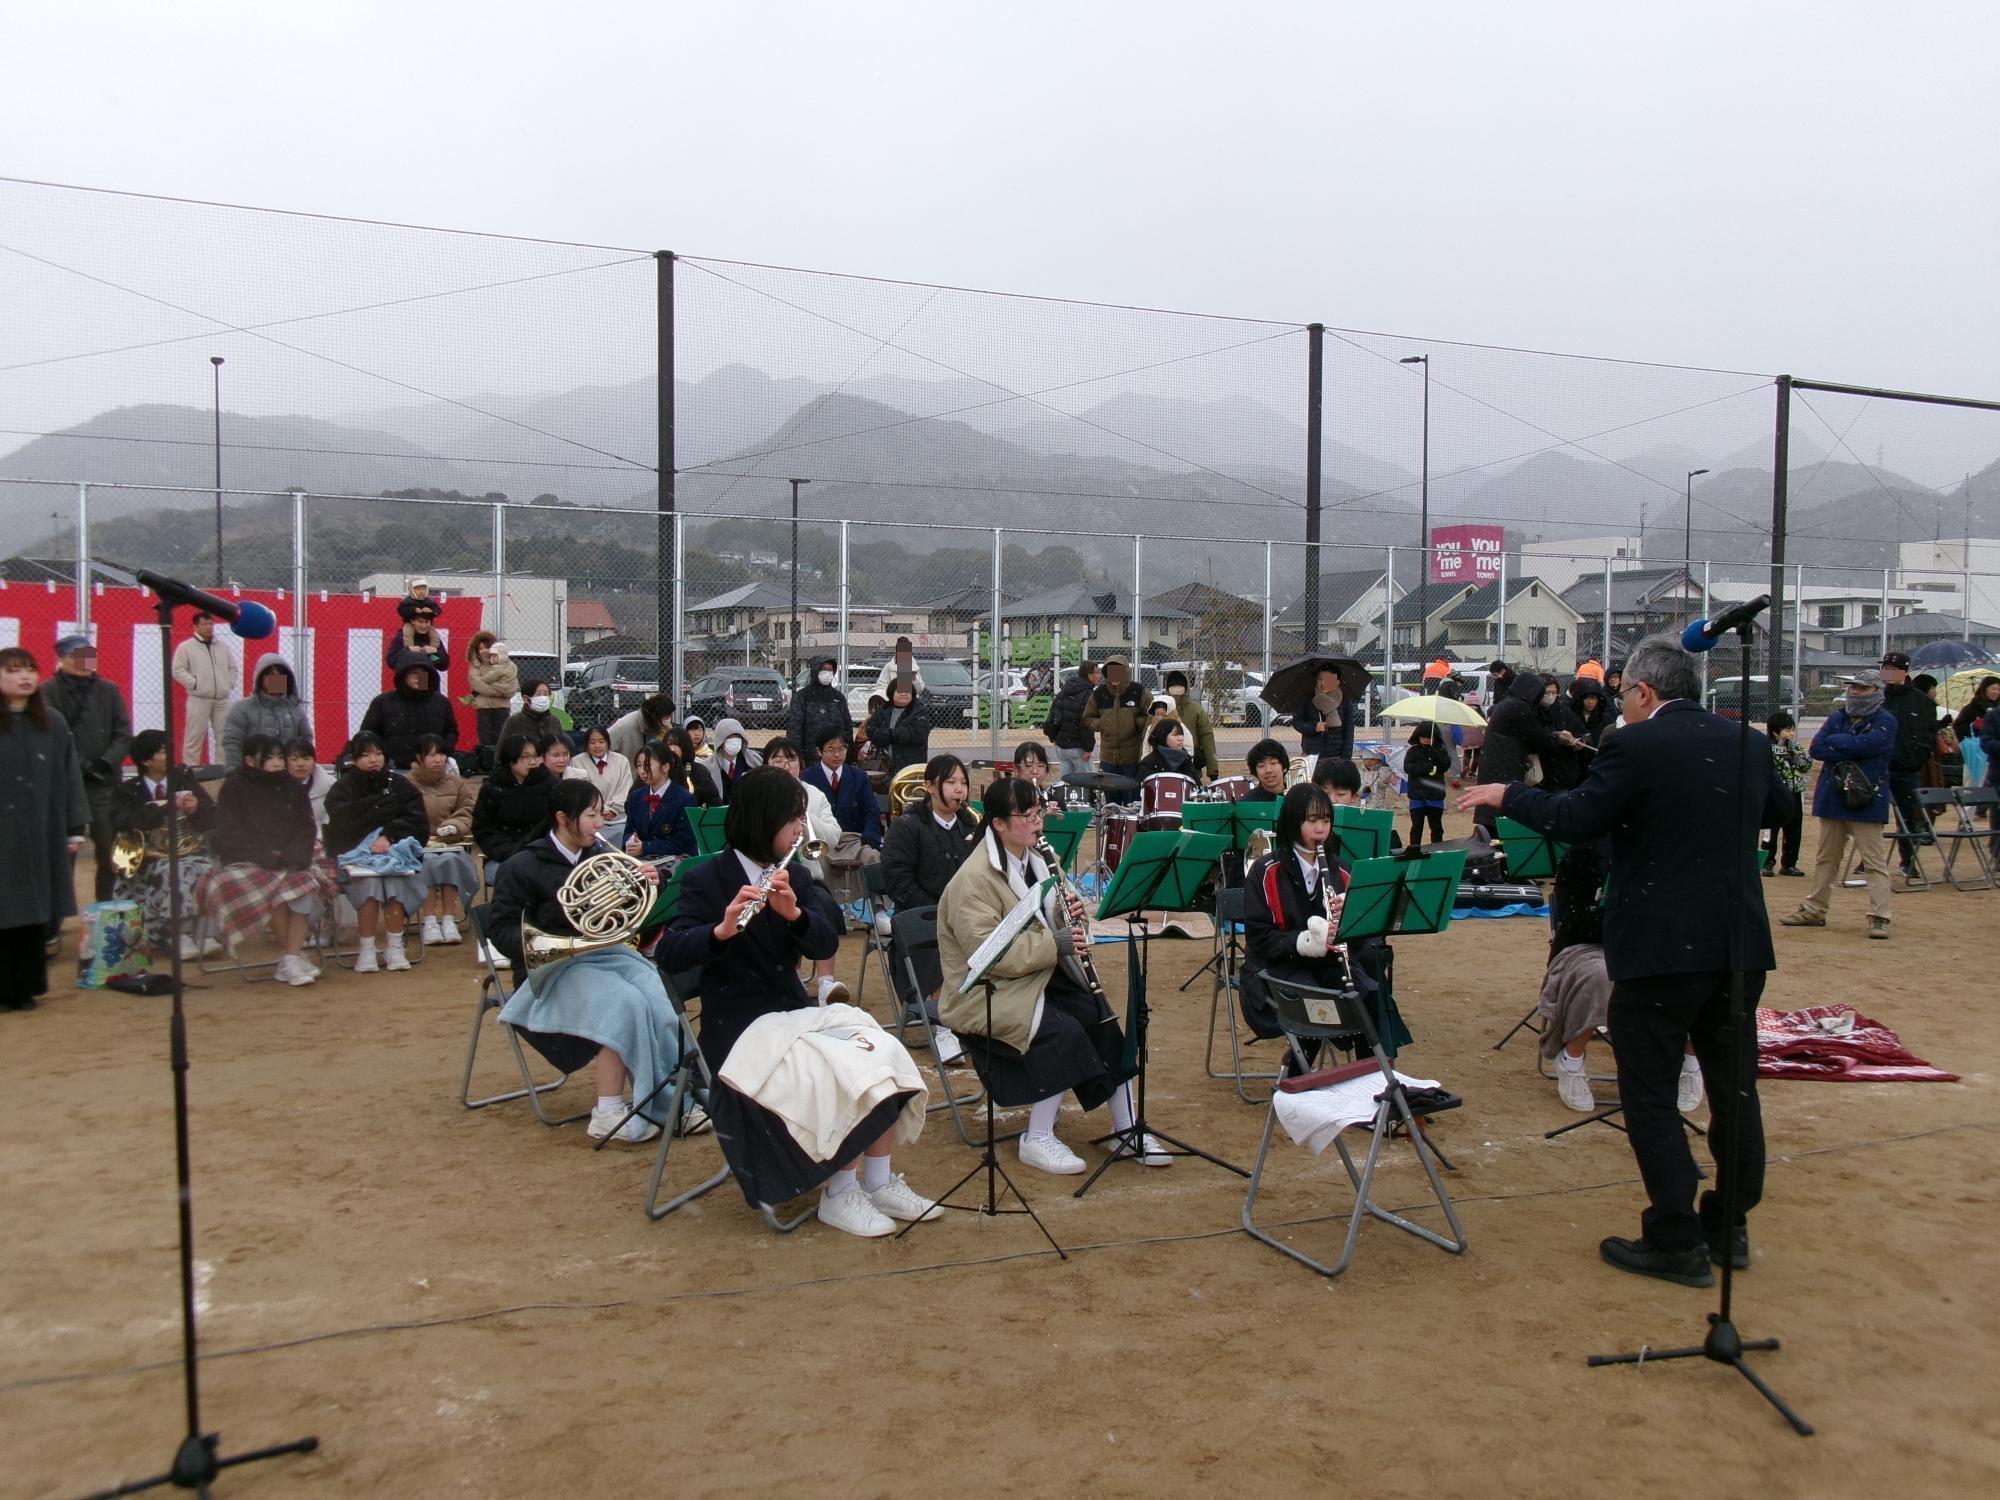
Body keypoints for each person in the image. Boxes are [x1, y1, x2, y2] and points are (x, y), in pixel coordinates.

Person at [1460, 633, 1779, 1287]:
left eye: (1622, 694)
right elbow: (1777, 809)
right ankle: (1729, 1226)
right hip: (1738, 944)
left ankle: (1674, 1237)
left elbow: (1578, 817)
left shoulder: (1634, 743)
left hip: (1660, 948)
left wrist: (1506, 795)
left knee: (1651, 1093)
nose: (1619, 706)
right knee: (1734, 1089)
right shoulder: (1745, 741)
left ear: (1644, 692)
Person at [660, 767, 939, 1237]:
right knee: (836, 1069)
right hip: (740, 1029)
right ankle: (840, 1192)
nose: (800, 830)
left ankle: (877, 1179)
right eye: (792, 819)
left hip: (792, 1015)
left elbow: (827, 937)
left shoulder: (794, 874)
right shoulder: (707, 879)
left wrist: (794, 916)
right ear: (763, 819)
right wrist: (720, 931)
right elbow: (669, 954)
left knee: (879, 1047)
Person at [935, 776, 1157, 1175]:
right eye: (1026, 815)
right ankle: (1036, 1137)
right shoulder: (973, 880)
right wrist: (1057, 943)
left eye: (1039, 812)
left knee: (1099, 1019)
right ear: (998, 824)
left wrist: (1072, 916)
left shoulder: (1038, 860)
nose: (1038, 822)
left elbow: (1062, 926)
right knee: (1064, 1031)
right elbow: (990, 956)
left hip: (1035, 977)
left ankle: (1126, 1127)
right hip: (988, 990)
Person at [490, 779, 696, 1145]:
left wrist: (650, 883)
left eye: (601, 814)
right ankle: (608, 1111)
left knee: (657, 991)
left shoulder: (599, 858)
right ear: (562, 819)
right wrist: (556, 935)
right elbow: (501, 929)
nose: (601, 823)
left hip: (601, 957)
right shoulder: (522, 865)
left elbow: (626, 918)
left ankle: (671, 1100)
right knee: (623, 1002)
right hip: (548, 971)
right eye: (591, 815)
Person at [1238, 782, 1407, 1058]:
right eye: (1312, 820)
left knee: (1371, 999)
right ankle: (1295, 1079)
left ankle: (1372, 1079)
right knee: (1317, 1009)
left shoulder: (1342, 870)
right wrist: (1303, 942)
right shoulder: (1265, 871)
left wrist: (1350, 923)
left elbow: (1363, 940)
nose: (1321, 829)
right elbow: (1258, 939)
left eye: (1326, 820)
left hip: (1329, 968)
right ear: (1293, 822)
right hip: (1278, 971)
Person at [200, 733, 332, 987]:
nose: (277, 762)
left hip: (291, 859)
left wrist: (293, 856)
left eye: (279, 756)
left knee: (303, 887)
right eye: (269, 757)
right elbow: (229, 831)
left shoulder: (292, 786)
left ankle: (290, 958)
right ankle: (291, 958)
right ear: (250, 760)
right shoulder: (234, 786)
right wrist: (266, 855)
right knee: (276, 892)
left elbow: (305, 828)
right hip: (246, 860)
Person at [1778, 672, 1896, 939]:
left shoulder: (1885, 720)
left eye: (1863, 688)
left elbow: (1874, 744)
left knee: (1874, 861)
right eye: (1853, 687)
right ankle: (1814, 909)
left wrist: (1840, 743)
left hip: (1867, 797)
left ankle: (1880, 916)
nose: (1855, 692)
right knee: (1826, 858)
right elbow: (1818, 748)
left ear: (1877, 691)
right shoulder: (1837, 717)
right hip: (1833, 796)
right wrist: (1850, 746)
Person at [1, 647, 88, 1008]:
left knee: (35, 912)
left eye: (30, 670)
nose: (24, 677)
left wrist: (74, 826)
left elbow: (69, 777)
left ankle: (30, 986)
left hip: (41, 832)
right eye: (12, 671)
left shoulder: (52, 722)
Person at [879, 753, 978, 1057]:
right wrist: (939, 912)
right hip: (918, 918)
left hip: (962, 915)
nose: (959, 790)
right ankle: (944, 1026)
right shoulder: (907, 826)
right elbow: (898, 880)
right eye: (950, 782)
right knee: (939, 941)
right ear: (930, 786)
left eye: (963, 782)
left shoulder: (969, 824)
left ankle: (980, 1018)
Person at [323, 730, 428, 973]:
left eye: (378, 753)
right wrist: (377, 813)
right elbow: (340, 825)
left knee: (394, 883)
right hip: (354, 856)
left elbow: (418, 822)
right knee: (369, 884)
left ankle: (395, 946)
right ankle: (367, 948)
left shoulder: (400, 785)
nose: (374, 759)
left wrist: (389, 834)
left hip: (394, 855)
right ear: (354, 758)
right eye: (366, 754)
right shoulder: (342, 788)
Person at [110, 729, 214, 960]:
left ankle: (198, 933)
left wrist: (196, 809)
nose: (170, 755)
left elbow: (214, 817)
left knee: (199, 867)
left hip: (189, 852)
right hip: (148, 859)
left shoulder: (184, 782)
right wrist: (163, 807)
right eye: (162, 752)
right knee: (174, 870)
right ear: (146, 760)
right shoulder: (127, 791)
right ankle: (180, 935)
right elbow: (122, 823)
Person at [42, 634, 131, 902]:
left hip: (105, 784)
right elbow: (57, 734)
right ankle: (57, 915)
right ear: (61, 659)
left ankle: (109, 908)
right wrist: (83, 765)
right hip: (68, 786)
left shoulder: (109, 690)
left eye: (88, 654)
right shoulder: (49, 691)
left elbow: (123, 732)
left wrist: (107, 762)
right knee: (65, 851)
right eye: (76, 655)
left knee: (110, 848)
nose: (84, 661)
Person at [763, 736, 850, 1008]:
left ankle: (826, 984)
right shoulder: (758, 792)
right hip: (767, 877)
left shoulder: (814, 795)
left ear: (800, 764)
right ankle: (792, 975)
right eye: (777, 760)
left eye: (790, 759)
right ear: (766, 764)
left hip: (809, 876)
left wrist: (806, 816)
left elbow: (834, 837)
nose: (785, 765)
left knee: (822, 907)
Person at [1538, 846, 1615, 1112]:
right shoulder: (1583, 854)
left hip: (1646, 942)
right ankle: (1571, 1059)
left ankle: (1687, 1062)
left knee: (1690, 969)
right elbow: (1576, 921)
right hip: (1586, 944)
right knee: (1601, 976)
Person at [1475, 664, 1574, 836]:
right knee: (1503, 819)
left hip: (1494, 768)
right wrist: (1558, 737)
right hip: (1505, 770)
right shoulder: (1518, 707)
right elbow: (1539, 739)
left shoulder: (1507, 704)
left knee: (1492, 819)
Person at [406, 733, 476, 946]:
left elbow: (468, 810)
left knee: (449, 861)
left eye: (442, 754)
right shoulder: (406, 784)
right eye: (432, 755)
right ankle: (429, 921)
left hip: (451, 843)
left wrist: (455, 827)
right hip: (417, 845)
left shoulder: (457, 784)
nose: (438, 760)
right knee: (428, 862)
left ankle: (448, 918)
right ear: (419, 758)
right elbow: (401, 814)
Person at [802, 728, 882, 909]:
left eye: (842, 749)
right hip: (822, 840)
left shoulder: (858, 776)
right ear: (819, 752)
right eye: (831, 750)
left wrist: (870, 837)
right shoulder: (808, 777)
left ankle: (878, 909)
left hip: (852, 839)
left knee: (873, 856)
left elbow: (871, 810)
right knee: (812, 863)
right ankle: (822, 908)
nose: (837, 754)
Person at [1879, 651, 1934, 877]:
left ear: (1905, 671)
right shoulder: (1877, 698)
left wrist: (1919, 754)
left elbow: (1931, 732)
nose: (1888, 672)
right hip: (1879, 767)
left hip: (1908, 769)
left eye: (1894, 668)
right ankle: (1867, 859)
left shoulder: (1920, 700)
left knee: (1909, 816)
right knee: (1871, 815)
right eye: (1886, 668)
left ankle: (1908, 861)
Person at [473, 734, 551, 871]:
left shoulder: (552, 786)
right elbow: (483, 828)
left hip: (544, 852)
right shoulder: (492, 788)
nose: (532, 762)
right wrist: (507, 851)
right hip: (504, 855)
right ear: (510, 760)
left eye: (535, 756)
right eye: (525, 757)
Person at [359, 661, 458, 769]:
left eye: (423, 673)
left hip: (430, 769)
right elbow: (369, 734)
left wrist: (442, 752)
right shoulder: (383, 702)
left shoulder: (441, 702)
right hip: (395, 767)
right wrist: (382, 757)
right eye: (413, 673)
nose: (418, 677)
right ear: (403, 676)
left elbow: (451, 731)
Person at [222, 653, 310, 770]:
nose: (277, 678)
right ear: (260, 679)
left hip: (287, 778)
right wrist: (234, 776)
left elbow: (305, 745)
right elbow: (232, 743)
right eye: (270, 675)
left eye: (281, 674)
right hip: (252, 777)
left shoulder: (296, 711)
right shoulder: (242, 708)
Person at [171, 611, 237, 765]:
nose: (209, 627)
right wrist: (194, 683)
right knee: (194, 738)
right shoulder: (186, 647)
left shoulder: (222, 646)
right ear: (195, 626)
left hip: (222, 699)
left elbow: (233, 667)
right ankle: (191, 772)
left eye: (211, 624)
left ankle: (222, 772)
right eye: (205, 624)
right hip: (199, 699)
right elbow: (178, 670)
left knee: (224, 737)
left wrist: (228, 683)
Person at [624, 742, 698, 862]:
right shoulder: (636, 796)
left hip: (674, 860)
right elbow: (629, 830)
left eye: (647, 765)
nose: (642, 771)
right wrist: (630, 841)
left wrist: (646, 847)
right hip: (642, 859)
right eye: (639, 765)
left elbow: (685, 842)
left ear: (665, 767)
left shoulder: (684, 798)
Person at [567, 726, 633, 850]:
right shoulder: (576, 762)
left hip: (617, 818)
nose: (597, 746)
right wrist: (597, 812)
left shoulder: (621, 761)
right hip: (589, 818)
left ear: (608, 743)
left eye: (601, 741)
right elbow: (578, 793)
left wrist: (612, 810)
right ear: (586, 744)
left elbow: (625, 790)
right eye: (592, 742)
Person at [1082, 656, 1145, 781]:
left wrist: (1134, 723)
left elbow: (1150, 715)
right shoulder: (1099, 694)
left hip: (1132, 756)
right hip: (1108, 757)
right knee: (1110, 796)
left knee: (1131, 796)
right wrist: (1101, 724)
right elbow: (1088, 717)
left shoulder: (1138, 691)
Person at [1762, 711, 1809, 878]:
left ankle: (1789, 863)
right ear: (1775, 731)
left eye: (1792, 730)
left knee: (1794, 829)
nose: (1791, 734)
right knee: (1771, 830)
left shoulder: (1795, 747)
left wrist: (1795, 752)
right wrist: (1781, 750)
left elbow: (1806, 765)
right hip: (1774, 794)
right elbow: (1772, 763)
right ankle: (1766, 863)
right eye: (1787, 730)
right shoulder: (1767, 747)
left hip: (1795, 792)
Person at [463, 633, 518, 771]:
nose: (485, 651)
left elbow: (512, 687)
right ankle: (486, 765)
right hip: (484, 707)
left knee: (501, 737)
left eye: (488, 647)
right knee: (485, 739)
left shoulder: (507, 665)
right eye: (481, 648)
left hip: (502, 707)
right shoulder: (475, 667)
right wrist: (498, 692)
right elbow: (477, 685)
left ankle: (501, 765)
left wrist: (493, 690)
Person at [787, 656, 853, 761]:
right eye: (823, 669)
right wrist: (798, 757)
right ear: (815, 670)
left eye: (830, 670)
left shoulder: (838, 697)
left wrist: (847, 752)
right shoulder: (802, 697)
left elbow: (847, 727)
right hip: (811, 758)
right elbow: (795, 730)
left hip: (836, 756)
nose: (827, 673)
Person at [1043, 660, 1100, 783]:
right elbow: (1086, 722)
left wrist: (1053, 737)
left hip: (1062, 746)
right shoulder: (1088, 693)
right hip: (1078, 747)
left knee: (1067, 784)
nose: (1099, 676)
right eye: (1097, 672)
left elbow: (1054, 713)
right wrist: (1088, 748)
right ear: (1089, 675)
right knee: (1087, 783)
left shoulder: (1066, 690)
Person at [863, 676, 931, 773]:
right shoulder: (883, 709)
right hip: (883, 764)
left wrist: (888, 734)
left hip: (910, 764)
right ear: (891, 693)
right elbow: (871, 731)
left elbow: (917, 734)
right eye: (899, 691)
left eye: (907, 691)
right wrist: (894, 734)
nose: (904, 694)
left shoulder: (919, 710)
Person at [1162, 669, 1219, 783]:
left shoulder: (1196, 710)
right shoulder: (1160, 708)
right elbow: (1148, 736)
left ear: (1186, 687)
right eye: (1173, 686)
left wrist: (1213, 773)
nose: (1176, 689)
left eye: (1180, 686)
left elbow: (1207, 739)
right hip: (1163, 767)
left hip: (1191, 768)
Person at [1403, 723, 1451, 849]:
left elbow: (1446, 765)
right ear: (1417, 736)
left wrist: (1435, 753)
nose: (1426, 739)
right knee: (1416, 826)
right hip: (1417, 795)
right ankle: (1414, 849)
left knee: (1436, 826)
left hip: (1435, 795)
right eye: (1423, 736)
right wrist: (1424, 767)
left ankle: (1437, 848)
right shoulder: (1412, 751)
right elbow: (1407, 767)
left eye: (1430, 737)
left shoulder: (1440, 751)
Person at [1298, 665, 1357, 762]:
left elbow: (1349, 732)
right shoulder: (1308, 699)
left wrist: (1346, 758)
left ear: (1337, 682)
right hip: (1312, 755)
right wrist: (1314, 727)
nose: (1323, 683)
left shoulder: (1345, 701)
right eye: (1320, 679)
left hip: (1336, 756)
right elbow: (1297, 722)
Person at [384, 596, 449, 680]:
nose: (424, 626)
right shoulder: (402, 637)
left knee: (423, 687)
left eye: (427, 622)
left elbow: (444, 665)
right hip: (406, 677)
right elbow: (391, 662)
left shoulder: (433, 638)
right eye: (420, 622)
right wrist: (408, 651)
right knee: (411, 688)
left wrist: (433, 654)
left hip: (425, 677)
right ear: (412, 621)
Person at [608, 693, 676, 764]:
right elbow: (603, 748)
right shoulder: (625, 726)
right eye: (666, 718)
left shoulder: (661, 727)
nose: (668, 722)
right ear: (655, 717)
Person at [704, 717, 761, 802]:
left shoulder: (754, 763)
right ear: (720, 741)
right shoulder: (707, 768)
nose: (734, 740)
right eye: (729, 737)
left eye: (737, 736)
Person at [285, 738, 333, 835]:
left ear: (314, 761)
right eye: (294, 759)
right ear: (285, 762)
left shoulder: (330, 786)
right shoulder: (275, 788)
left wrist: (320, 840)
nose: (301, 764)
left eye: (306, 759)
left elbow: (332, 818)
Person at [499, 680, 563, 751]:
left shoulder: (554, 721)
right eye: (538, 694)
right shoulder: (514, 721)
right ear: (526, 699)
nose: (543, 698)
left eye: (546, 694)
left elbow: (562, 746)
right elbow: (502, 750)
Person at [1136, 716, 1197, 781]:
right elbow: (1140, 788)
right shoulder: (1149, 764)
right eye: (1175, 734)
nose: (1181, 738)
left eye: (1181, 734)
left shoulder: (1186, 760)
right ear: (1163, 737)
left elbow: (1196, 787)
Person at [1950, 675, 2000, 746]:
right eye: (1993, 689)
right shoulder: (1972, 707)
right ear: (1984, 689)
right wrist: (1974, 725)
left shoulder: (1998, 707)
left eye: (1998, 690)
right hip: (1979, 746)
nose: (1996, 692)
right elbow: (1957, 727)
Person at [1569, 675, 1613, 747]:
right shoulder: (1572, 717)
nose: (1590, 702)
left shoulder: (1604, 719)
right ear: (1580, 699)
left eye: (1593, 698)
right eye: (1587, 698)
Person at [1243, 738, 1290, 802]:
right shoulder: (1247, 803)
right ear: (1255, 772)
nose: (1268, 770)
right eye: (1261, 766)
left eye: (1273, 763)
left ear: (1284, 767)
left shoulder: (1298, 797)